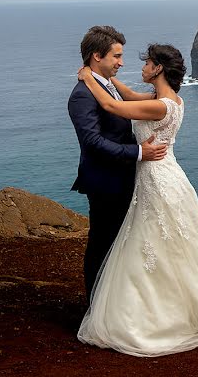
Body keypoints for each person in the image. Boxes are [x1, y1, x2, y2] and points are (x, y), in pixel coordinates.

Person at [75, 43, 198, 356]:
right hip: (164, 175)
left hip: (157, 178)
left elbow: (114, 108)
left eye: (147, 63)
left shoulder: (160, 106)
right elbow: (126, 96)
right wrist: (108, 82)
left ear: (158, 69)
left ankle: (161, 308)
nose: (140, 67)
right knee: (163, 241)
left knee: (155, 239)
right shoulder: (168, 99)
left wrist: (89, 78)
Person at [68, 26, 168, 301]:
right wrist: (138, 153)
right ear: (97, 56)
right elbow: (92, 142)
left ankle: (115, 302)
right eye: (117, 56)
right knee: (102, 243)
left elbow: (130, 102)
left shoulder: (107, 86)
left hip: (123, 178)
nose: (121, 62)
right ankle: (95, 306)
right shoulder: (82, 95)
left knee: (121, 243)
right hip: (105, 181)